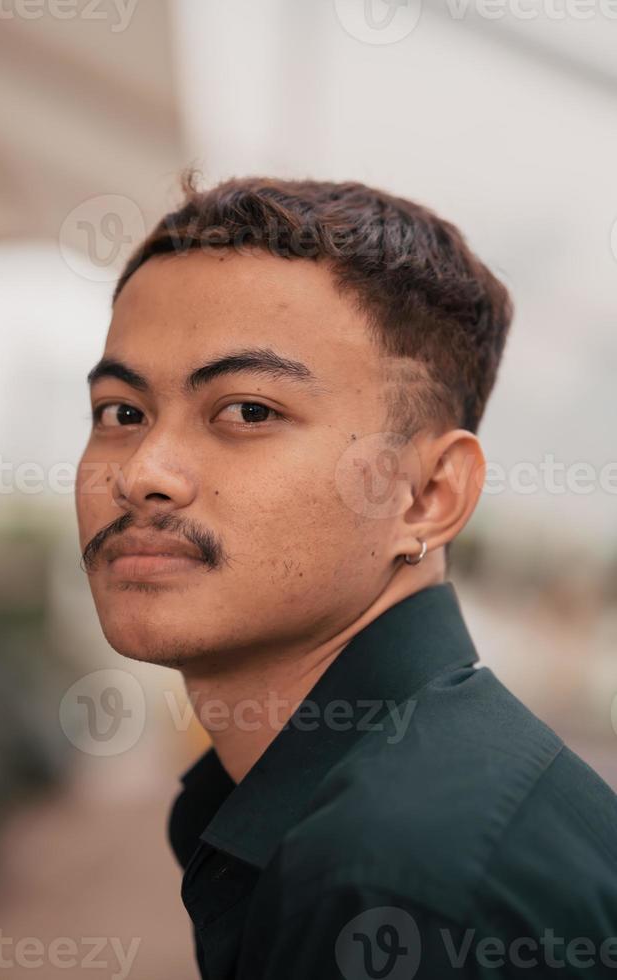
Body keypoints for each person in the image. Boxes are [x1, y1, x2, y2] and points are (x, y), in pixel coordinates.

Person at [75, 174, 617, 979]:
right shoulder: (411, 798)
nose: (144, 472)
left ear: (428, 496)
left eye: (249, 410)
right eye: (122, 412)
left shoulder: (396, 882)